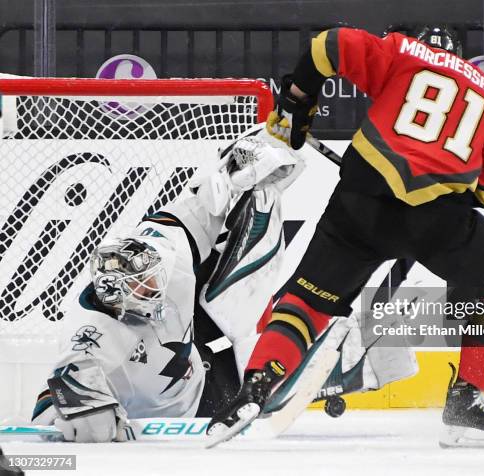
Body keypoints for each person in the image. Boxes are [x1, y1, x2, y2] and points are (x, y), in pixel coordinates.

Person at [208, 26, 484, 448]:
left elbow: (326, 46)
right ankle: (466, 404)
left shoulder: (403, 52)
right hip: (434, 221)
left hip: (360, 201)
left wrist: (297, 104)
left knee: (306, 303)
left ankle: (253, 388)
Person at [31, 130, 304, 442]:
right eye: (142, 289)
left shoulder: (164, 249)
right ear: (118, 299)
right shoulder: (92, 335)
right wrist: (78, 414)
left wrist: (247, 168)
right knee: (271, 384)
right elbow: (54, 400)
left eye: (150, 281)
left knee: (272, 338)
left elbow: (211, 198)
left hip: (190, 354)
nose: (150, 290)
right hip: (189, 405)